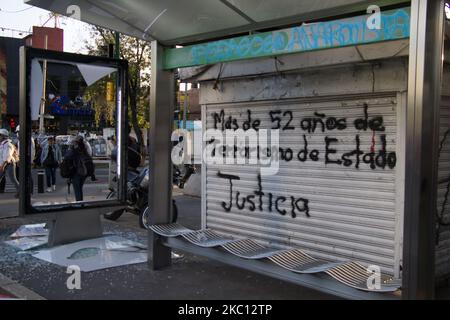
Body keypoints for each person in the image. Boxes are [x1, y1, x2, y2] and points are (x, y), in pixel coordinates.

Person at [64, 136, 94, 201]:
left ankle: (79, 203)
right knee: (79, 188)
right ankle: (80, 202)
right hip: (84, 172)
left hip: (76, 172)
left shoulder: (73, 151)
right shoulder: (85, 149)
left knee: (77, 189)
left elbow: (68, 159)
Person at [0, 129, 19, 198]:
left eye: (0, 135)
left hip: (9, 164)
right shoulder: (2, 144)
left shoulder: (8, 144)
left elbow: (7, 156)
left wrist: (3, 165)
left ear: (4, 136)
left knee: (13, 179)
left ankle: (21, 192)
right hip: (3, 164)